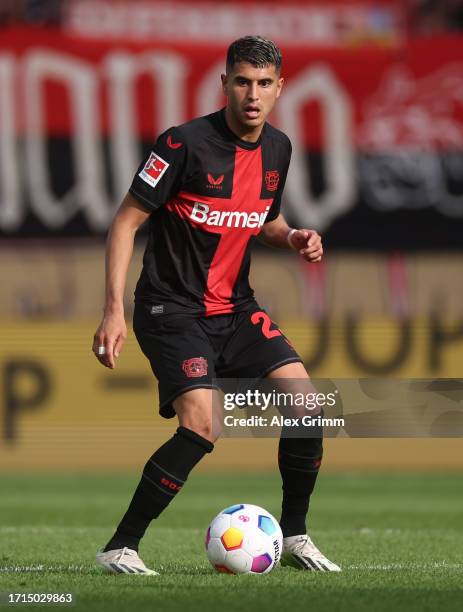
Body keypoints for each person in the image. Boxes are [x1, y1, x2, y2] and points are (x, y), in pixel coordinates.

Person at [92, 35, 340, 575]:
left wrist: (293, 236)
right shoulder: (182, 145)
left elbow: (263, 219)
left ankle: (296, 536)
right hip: (170, 307)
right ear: (224, 83)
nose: (253, 94)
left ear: (280, 88)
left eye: (264, 83)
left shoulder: (279, 148)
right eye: (242, 81)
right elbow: (126, 221)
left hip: (234, 308)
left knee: (307, 405)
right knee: (203, 423)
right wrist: (113, 310)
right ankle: (120, 547)